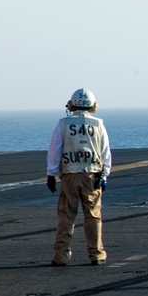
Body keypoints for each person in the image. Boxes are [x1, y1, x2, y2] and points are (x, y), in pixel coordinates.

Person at [46, 88, 111, 266]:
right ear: (93, 105)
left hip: (69, 174)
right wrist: (104, 175)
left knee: (66, 215)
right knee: (93, 216)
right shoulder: (98, 124)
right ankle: (96, 254)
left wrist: (51, 173)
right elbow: (105, 152)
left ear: (72, 104)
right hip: (92, 174)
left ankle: (61, 255)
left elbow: (55, 149)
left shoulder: (64, 123)